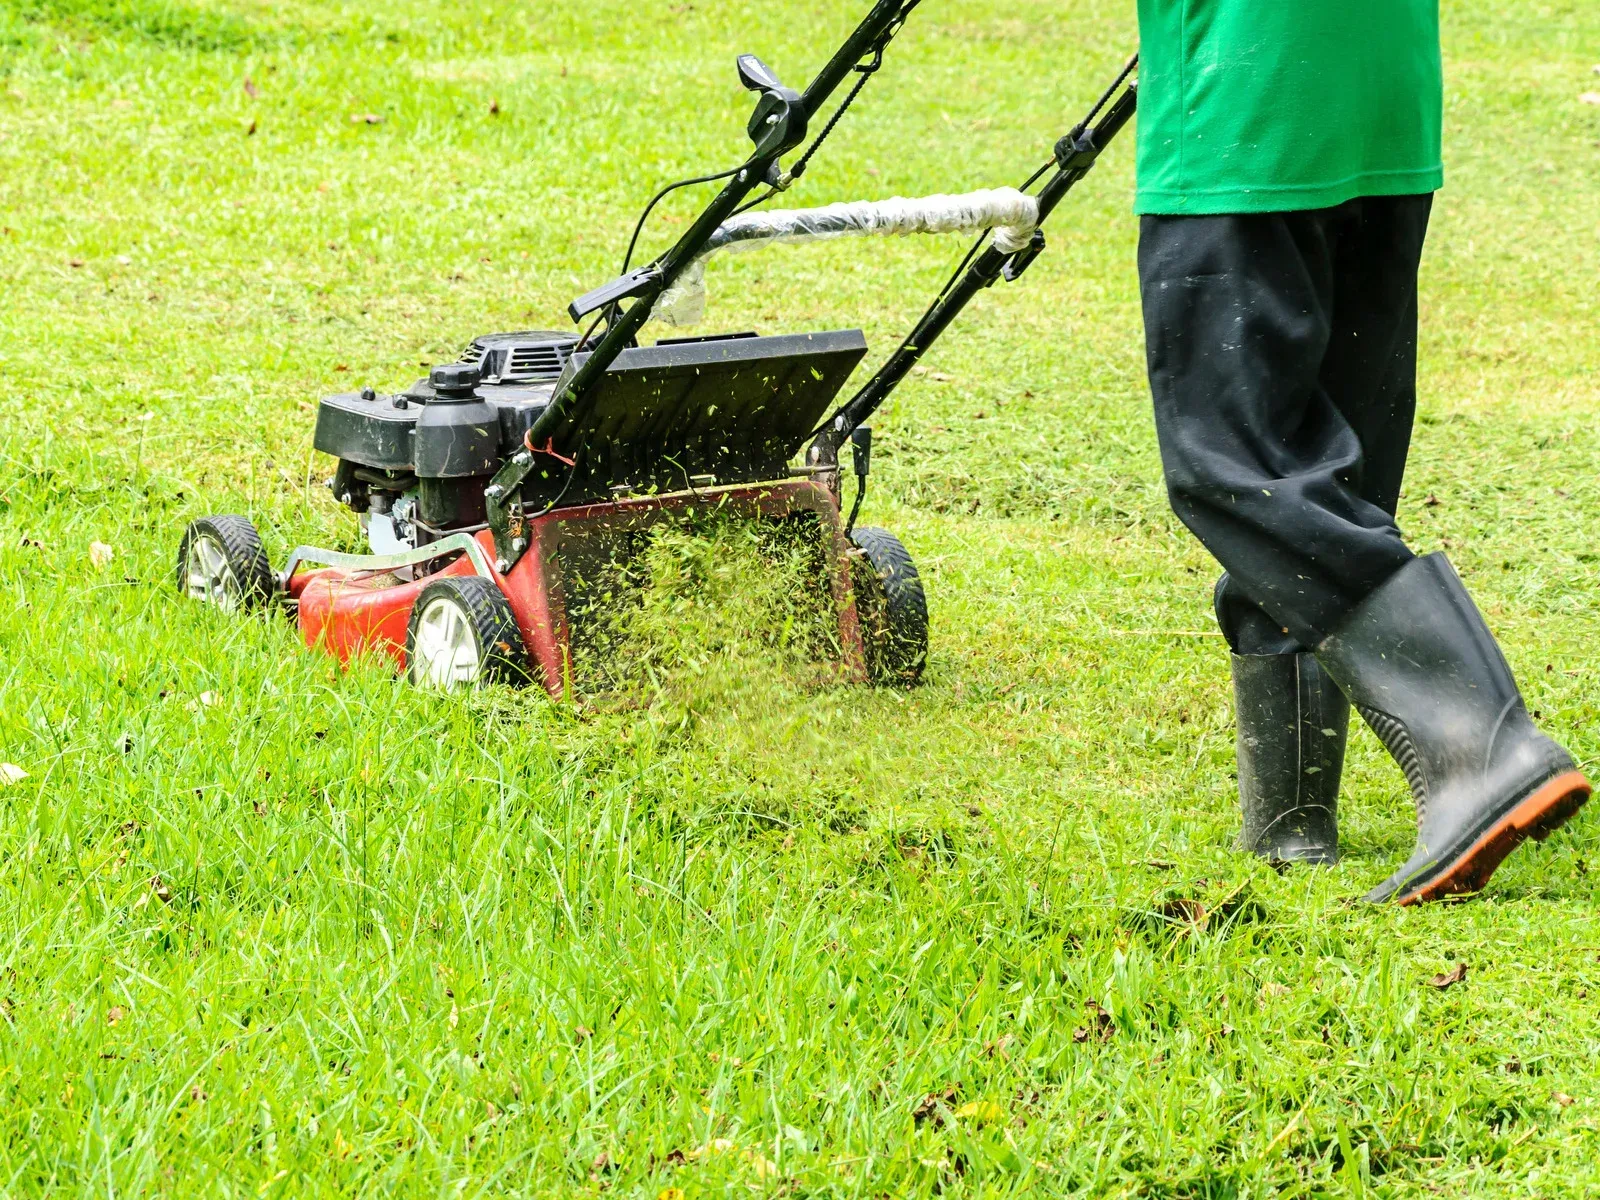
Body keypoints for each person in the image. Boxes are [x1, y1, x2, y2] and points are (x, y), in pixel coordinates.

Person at [1132, 0, 1590, 902]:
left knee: (1239, 465)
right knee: (1327, 464)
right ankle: (1290, 821)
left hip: (1246, 101)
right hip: (1383, 96)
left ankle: (1480, 746)